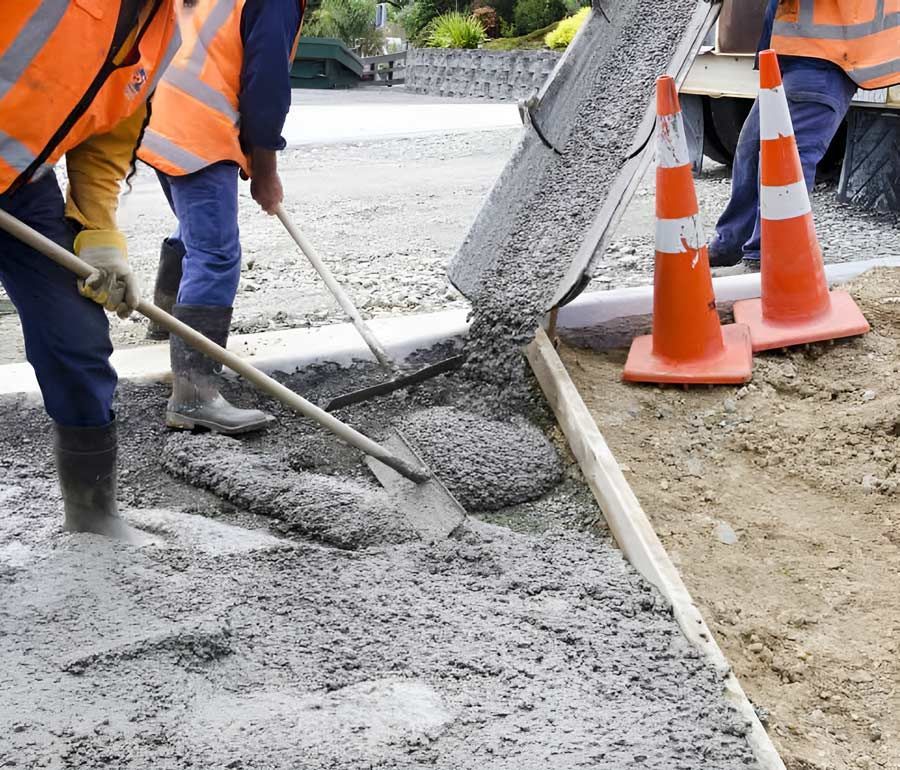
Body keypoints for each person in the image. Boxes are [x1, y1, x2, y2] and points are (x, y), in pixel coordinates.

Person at [0, 1, 178, 538]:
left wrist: (100, 237)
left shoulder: (161, 25)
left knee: (76, 340)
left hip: (21, 186)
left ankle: (93, 516)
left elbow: (107, 138)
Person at [138, 0, 304, 435]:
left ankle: (166, 320)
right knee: (215, 254)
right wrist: (265, 172)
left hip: (157, 112)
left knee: (196, 229)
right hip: (197, 126)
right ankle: (194, 396)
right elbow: (265, 88)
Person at [709, 0, 900, 270]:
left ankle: (767, 257)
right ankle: (731, 243)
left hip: (823, 58)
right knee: (752, 151)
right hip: (799, 57)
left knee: (785, 160)